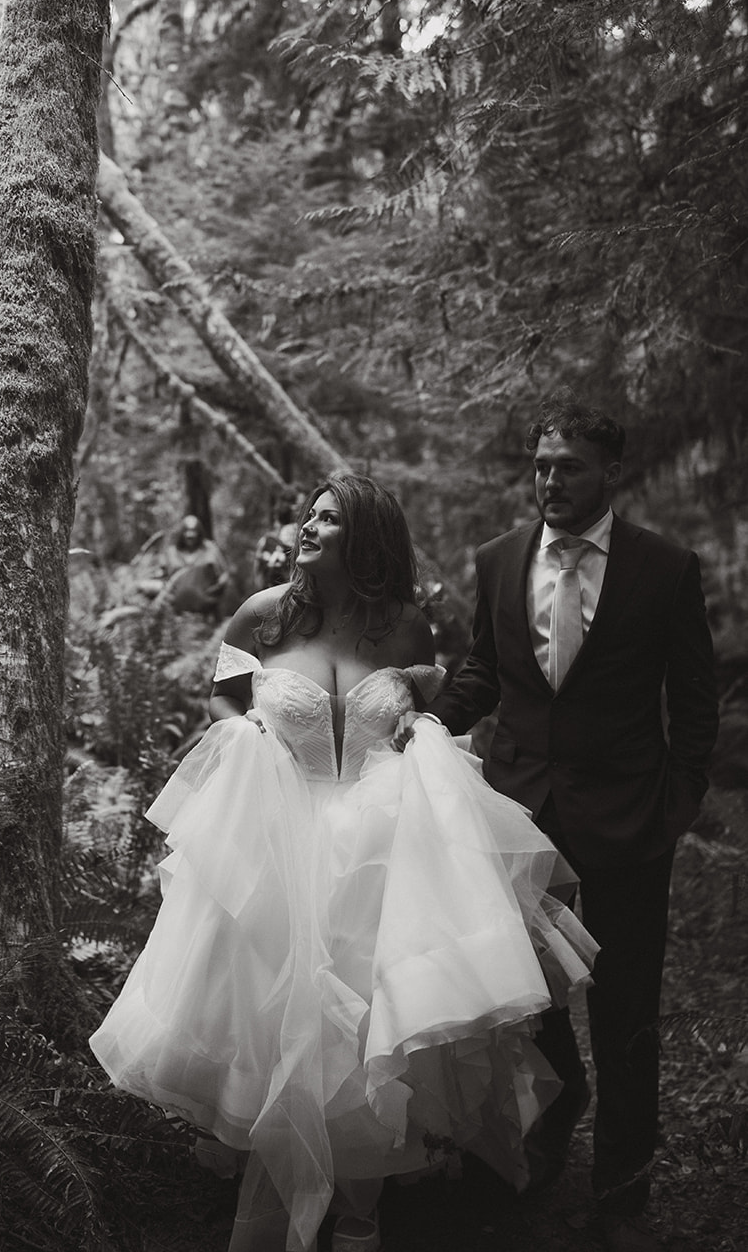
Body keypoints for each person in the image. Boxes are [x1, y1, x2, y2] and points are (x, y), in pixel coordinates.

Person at [90, 474, 597, 1252]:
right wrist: (249, 732)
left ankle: (361, 1215)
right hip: (278, 830)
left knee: (363, 1017)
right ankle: (276, 1161)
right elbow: (221, 695)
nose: (310, 526)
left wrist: (415, 734)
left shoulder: (404, 630)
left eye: (330, 518)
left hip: (375, 841)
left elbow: (425, 705)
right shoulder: (263, 614)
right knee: (274, 1006)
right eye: (310, 514)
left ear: (365, 539)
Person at [432, 395, 719, 1252]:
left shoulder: (664, 569)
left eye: (568, 467)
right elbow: (484, 669)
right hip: (520, 816)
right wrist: (425, 720)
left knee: (625, 1009)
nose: (549, 480)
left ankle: (623, 1188)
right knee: (524, 999)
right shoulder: (496, 559)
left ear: (610, 473)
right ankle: (553, 1123)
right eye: (541, 465)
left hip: (631, 818)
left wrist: (679, 800)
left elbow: (694, 699)